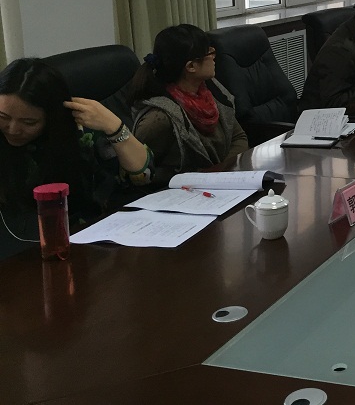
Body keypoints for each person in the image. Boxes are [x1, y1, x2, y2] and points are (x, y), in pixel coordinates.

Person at [0, 59, 151, 258]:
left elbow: (143, 176)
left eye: (29, 122)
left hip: (90, 246)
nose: (13, 129)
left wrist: (114, 126)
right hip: (18, 251)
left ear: (51, 117)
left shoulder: (80, 133)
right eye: (3, 117)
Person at [131, 25, 248, 182]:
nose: (214, 56)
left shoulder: (210, 89)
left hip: (222, 181)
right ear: (191, 66)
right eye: (209, 52)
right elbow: (140, 171)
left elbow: (238, 137)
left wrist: (221, 173)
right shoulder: (159, 118)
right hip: (184, 191)